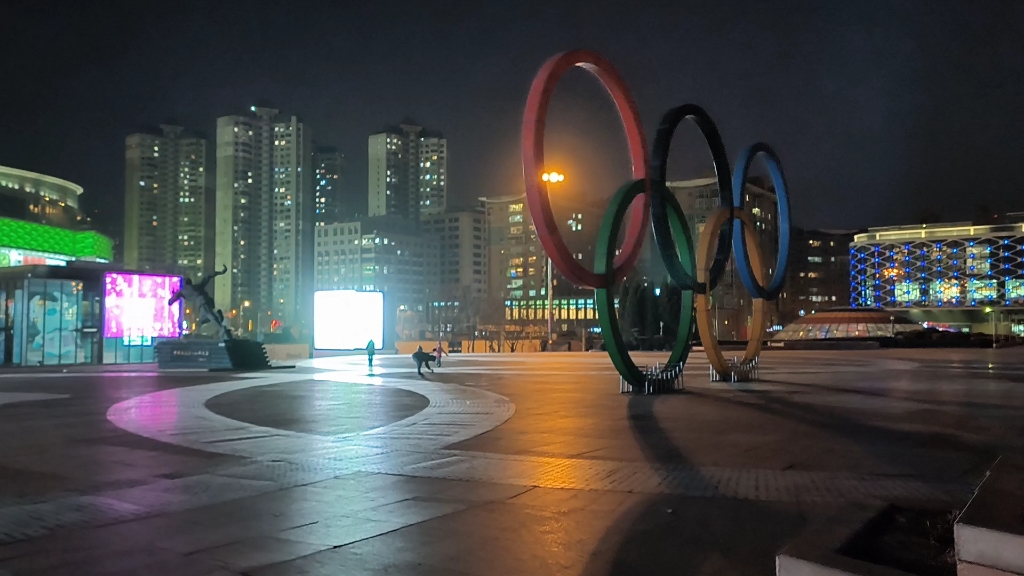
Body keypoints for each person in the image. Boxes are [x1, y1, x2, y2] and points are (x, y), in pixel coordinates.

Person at [168, 264, 230, 340]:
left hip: (202, 303)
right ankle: (217, 316)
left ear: (185, 284)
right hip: (208, 300)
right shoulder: (197, 286)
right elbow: (208, 277)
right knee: (203, 319)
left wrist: (171, 298)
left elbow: (170, 301)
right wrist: (221, 272)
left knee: (210, 316)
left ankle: (221, 328)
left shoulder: (182, 291)